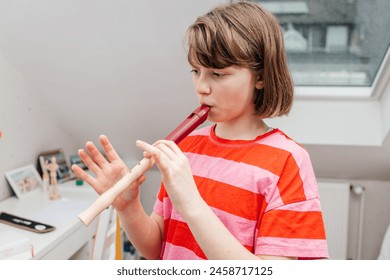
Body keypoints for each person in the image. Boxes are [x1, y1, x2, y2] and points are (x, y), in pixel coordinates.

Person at [72, 1, 328, 260]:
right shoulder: (187, 146)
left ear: (260, 76)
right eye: (196, 71)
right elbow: (158, 249)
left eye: (218, 74)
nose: (202, 87)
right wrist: (128, 207)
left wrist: (191, 203)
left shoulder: (288, 162)